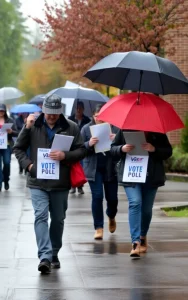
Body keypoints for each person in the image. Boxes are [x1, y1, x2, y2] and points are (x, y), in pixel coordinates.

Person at [13, 94, 86, 274]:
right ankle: (44, 256)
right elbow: (18, 148)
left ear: (60, 111)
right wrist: (29, 166)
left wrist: (65, 156)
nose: (51, 116)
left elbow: (82, 150)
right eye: (48, 113)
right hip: (37, 181)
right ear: (43, 110)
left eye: (55, 113)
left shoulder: (71, 127)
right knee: (40, 216)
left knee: (58, 219)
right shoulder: (32, 125)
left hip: (60, 182)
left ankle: (54, 252)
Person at [111, 129, 172, 258]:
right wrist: (122, 148)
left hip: (151, 176)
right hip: (131, 173)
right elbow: (112, 149)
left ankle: (142, 235)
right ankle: (135, 242)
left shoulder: (157, 132)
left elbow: (168, 151)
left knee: (146, 210)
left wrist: (154, 149)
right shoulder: (125, 130)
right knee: (135, 202)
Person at [81, 104, 119, 240]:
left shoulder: (114, 127)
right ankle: (98, 227)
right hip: (94, 168)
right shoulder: (86, 129)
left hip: (110, 167)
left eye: (102, 116)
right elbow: (80, 148)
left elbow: (121, 148)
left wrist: (116, 141)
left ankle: (111, 215)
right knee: (97, 197)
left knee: (112, 199)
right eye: (96, 116)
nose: (99, 119)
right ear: (93, 116)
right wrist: (89, 144)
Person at [68, 100, 90, 194]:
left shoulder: (87, 120)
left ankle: (80, 186)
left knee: (80, 166)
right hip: (72, 146)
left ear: (83, 109)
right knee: (72, 166)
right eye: (77, 108)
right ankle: (73, 185)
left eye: (80, 108)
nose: (78, 110)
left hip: (82, 145)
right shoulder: (70, 119)